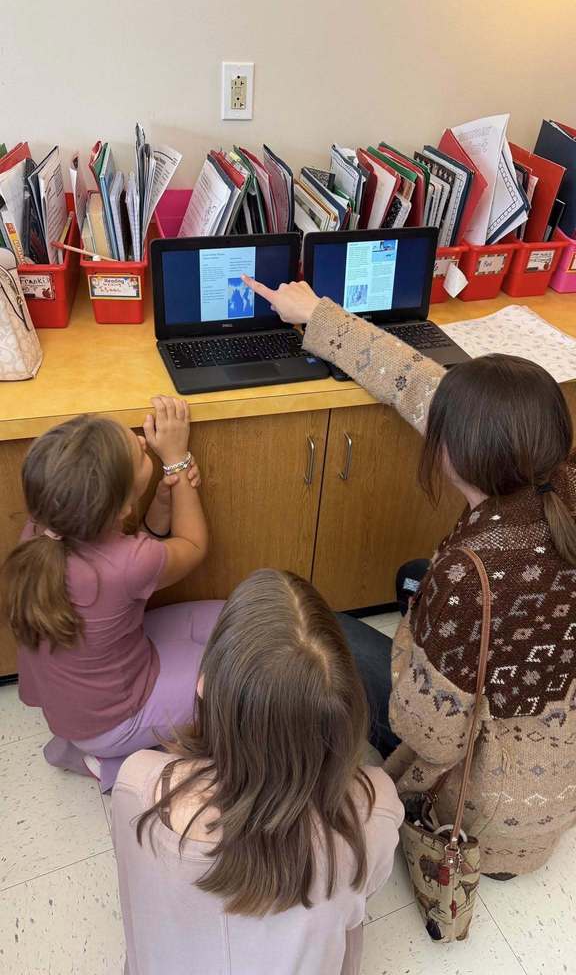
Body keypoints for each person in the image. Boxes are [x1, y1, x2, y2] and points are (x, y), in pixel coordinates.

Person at [241, 273, 576, 879]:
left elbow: (430, 734)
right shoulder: (557, 475)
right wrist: (318, 315)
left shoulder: (468, 576)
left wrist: (412, 653)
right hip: (557, 764)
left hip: (477, 817)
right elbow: (422, 384)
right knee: (411, 578)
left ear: (454, 450)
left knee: (328, 631)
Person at [112, 569, 404, 975]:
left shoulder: (138, 784)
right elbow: (358, 903)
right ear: (346, 710)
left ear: (203, 686)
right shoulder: (375, 809)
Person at [1, 396, 222, 791]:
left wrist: (159, 501)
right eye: (135, 453)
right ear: (120, 507)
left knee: (234, 617)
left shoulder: (43, 529)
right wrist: (177, 459)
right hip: (114, 717)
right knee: (239, 682)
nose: (140, 442)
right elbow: (192, 545)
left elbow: (132, 553)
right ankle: (114, 761)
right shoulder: (127, 564)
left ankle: (89, 744)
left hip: (84, 701)